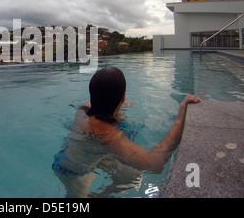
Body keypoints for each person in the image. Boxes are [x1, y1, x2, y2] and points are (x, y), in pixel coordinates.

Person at [52, 66, 201, 198]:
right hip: (72, 172)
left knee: (132, 178)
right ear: (123, 96)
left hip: (89, 155)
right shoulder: (107, 134)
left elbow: (100, 101)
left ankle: (102, 195)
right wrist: (180, 117)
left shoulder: (83, 109)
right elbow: (155, 164)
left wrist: (121, 105)